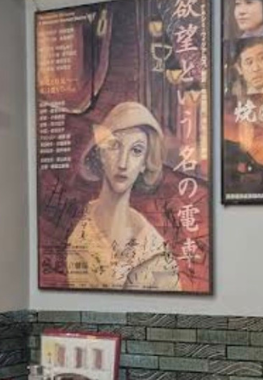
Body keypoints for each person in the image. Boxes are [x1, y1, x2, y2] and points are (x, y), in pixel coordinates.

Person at [66, 102, 181, 291]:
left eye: (136, 150)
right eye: (114, 146)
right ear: (101, 153)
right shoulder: (80, 237)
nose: (123, 163)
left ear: (144, 163)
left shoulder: (156, 253)